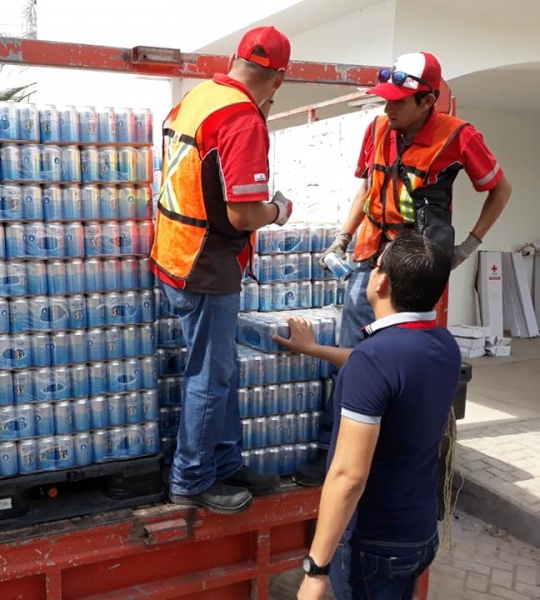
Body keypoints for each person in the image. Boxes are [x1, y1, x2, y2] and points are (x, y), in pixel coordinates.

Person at [294, 51, 512, 487]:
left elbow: (500, 189)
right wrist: (343, 237)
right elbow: (367, 185)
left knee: (403, 356)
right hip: (371, 252)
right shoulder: (378, 128)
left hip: (415, 262)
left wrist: (469, 245)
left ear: (428, 101)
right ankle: (334, 450)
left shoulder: (459, 137)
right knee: (353, 358)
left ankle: (392, 452)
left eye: (398, 101)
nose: (388, 108)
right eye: (385, 100)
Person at [149, 25, 294, 514]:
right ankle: (191, 479)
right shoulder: (242, 120)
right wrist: (279, 209)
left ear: (235, 61)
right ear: (277, 79)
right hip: (206, 264)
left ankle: (226, 462)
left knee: (219, 370)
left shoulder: (199, 97)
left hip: (174, 252)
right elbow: (241, 215)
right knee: (209, 377)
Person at [274, 231, 461, 599]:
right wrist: (314, 349)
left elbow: (349, 476)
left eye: (375, 266)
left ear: (382, 281)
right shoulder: (444, 344)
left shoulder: (376, 360)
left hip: (374, 542)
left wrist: (316, 569)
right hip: (418, 531)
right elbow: (384, 370)